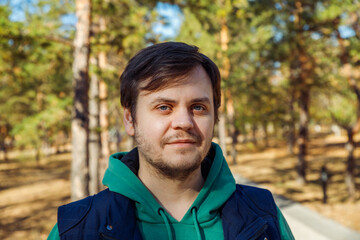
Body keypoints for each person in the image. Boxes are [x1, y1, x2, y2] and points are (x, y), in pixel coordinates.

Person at [48, 42, 294, 240]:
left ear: (215, 117)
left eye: (198, 107)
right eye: (164, 107)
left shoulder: (264, 217)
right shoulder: (76, 229)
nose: (184, 122)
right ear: (130, 120)